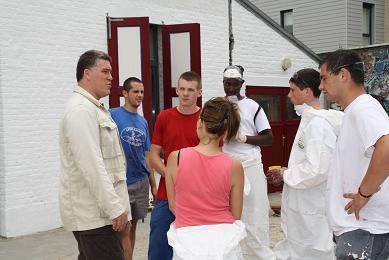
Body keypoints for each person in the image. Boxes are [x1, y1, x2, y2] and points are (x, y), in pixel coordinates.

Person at [59, 50, 131, 260]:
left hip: (99, 214)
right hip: (94, 216)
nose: (111, 77)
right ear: (87, 73)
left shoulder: (94, 109)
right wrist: (114, 208)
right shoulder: (81, 110)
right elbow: (91, 165)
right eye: (105, 71)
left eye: (111, 72)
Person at [320, 49, 389, 260]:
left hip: (365, 231)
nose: (321, 86)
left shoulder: (363, 107)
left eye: (323, 78)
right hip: (363, 230)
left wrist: (364, 194)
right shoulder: (356, 110)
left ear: (343, 75)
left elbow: (386, 147)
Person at [270, 68, 343, 259]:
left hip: (312, 206)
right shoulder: (309, 120)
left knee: (314, 251)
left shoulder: (318, 124)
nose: (288, 94)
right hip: (303, 204)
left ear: (307, 92)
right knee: (299, 248)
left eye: (293, 90)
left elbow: (318, 169)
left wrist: (286, 174)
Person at [164, 97, 246, 259]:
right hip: (224, 239)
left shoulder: (177, 157)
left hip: (187, 240)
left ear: (200, 123)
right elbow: (236, 214)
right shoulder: (235, 166)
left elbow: (173, 205)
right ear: (225, 131)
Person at [222, 65, 275, 259]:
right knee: (227, 215)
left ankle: (262, 255)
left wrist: (244, 139)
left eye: (235, 84)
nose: (231, 88)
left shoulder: (253, 106)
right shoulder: (219, 105)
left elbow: (269, 138)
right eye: (228, 84)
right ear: (223, 84)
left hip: (250, 164)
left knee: (255, 215)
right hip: (226, 165)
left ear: (242, 84)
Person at [148, 71, 202, 260]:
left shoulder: (206, 120)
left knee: (197, 250)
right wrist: (170, 176)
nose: (186, 93)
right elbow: (153, 155)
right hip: (165, 195)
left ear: (199, 92)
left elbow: (215, 156)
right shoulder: (164, 117)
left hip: (198, 196)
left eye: (191, 89)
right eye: (182, 89)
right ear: (177, 90)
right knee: (158, 247)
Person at [110, 77, 157, 260]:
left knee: (133, 226)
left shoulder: (143, 121)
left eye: (142, 92)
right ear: (124, 93)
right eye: (135, 91)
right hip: (122, 182)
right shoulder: (112, 115)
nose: (139, 95)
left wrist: (153, 184)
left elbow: (147, 156)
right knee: (123, 228)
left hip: (141, 181)